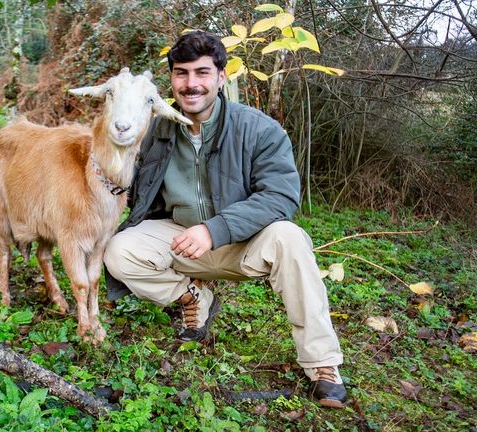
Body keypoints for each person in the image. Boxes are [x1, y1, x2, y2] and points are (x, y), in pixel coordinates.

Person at [102, 30, 348, 408]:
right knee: (119, 251)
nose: (191, 84)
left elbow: (281, 195)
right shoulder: (160, 128)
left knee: (291, 238)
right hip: (181, 239)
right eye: (181, 73)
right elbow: (134, 184)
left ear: (221, 77)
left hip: (245, 243)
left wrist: (215, 229)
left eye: (202, 73)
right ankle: (193, 299)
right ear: (171, 80)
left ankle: (322, 365)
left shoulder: (258, 128)